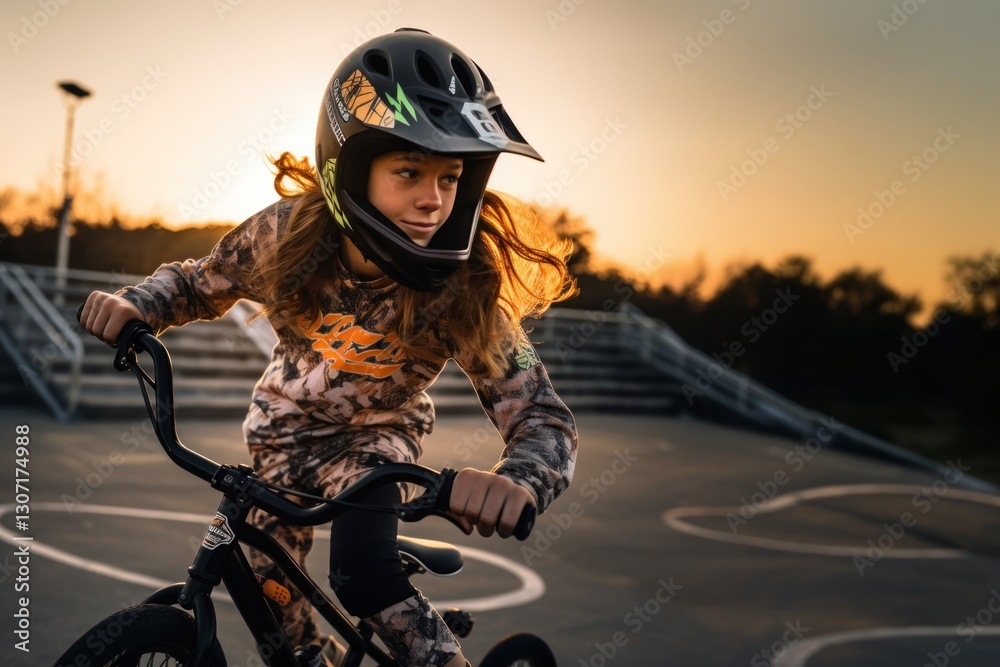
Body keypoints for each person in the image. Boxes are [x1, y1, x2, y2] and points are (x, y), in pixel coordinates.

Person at [79, 28, 578, 667]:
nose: (434, 199)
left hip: (373, 455)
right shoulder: (285, 235)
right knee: (274, 616)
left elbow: (541, 413)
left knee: (365, 582)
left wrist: (522, 480)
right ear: (351, 164)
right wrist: (138, 304)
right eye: (409, 171)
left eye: (451, 177)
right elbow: (199, 281)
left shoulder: (462, 289)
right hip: (276, 445)